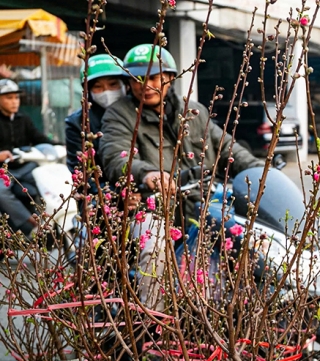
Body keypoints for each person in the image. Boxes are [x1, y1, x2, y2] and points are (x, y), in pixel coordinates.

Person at [100, 44, 264, 310]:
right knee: (154, 248)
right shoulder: (119, 114)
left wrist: (260, 172)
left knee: (254, 242)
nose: (146, 85)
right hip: (153, 208)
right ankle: (154, 323)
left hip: (206, 204)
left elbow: (227, 148)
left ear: (169, 78)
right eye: (137, 79)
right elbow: (114, 155)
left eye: (154, 77)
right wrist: (147, 173)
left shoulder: (194, 111)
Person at [0, 79, 52, 236]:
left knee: (48, 178)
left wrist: (61, 146)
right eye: (9, 98)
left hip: (26, 167)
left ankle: (52, 215)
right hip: (4, 171)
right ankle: (30, 221)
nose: (14, 102)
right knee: (1, 191)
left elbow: (39, 138)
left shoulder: (24, 118)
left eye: (16, 98)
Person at [65, 54, 128, 177]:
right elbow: (81, 171)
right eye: (98, 87)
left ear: (125, 85)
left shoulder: (138, 112)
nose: (107, 91)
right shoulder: (78, 122)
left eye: (113, 84)